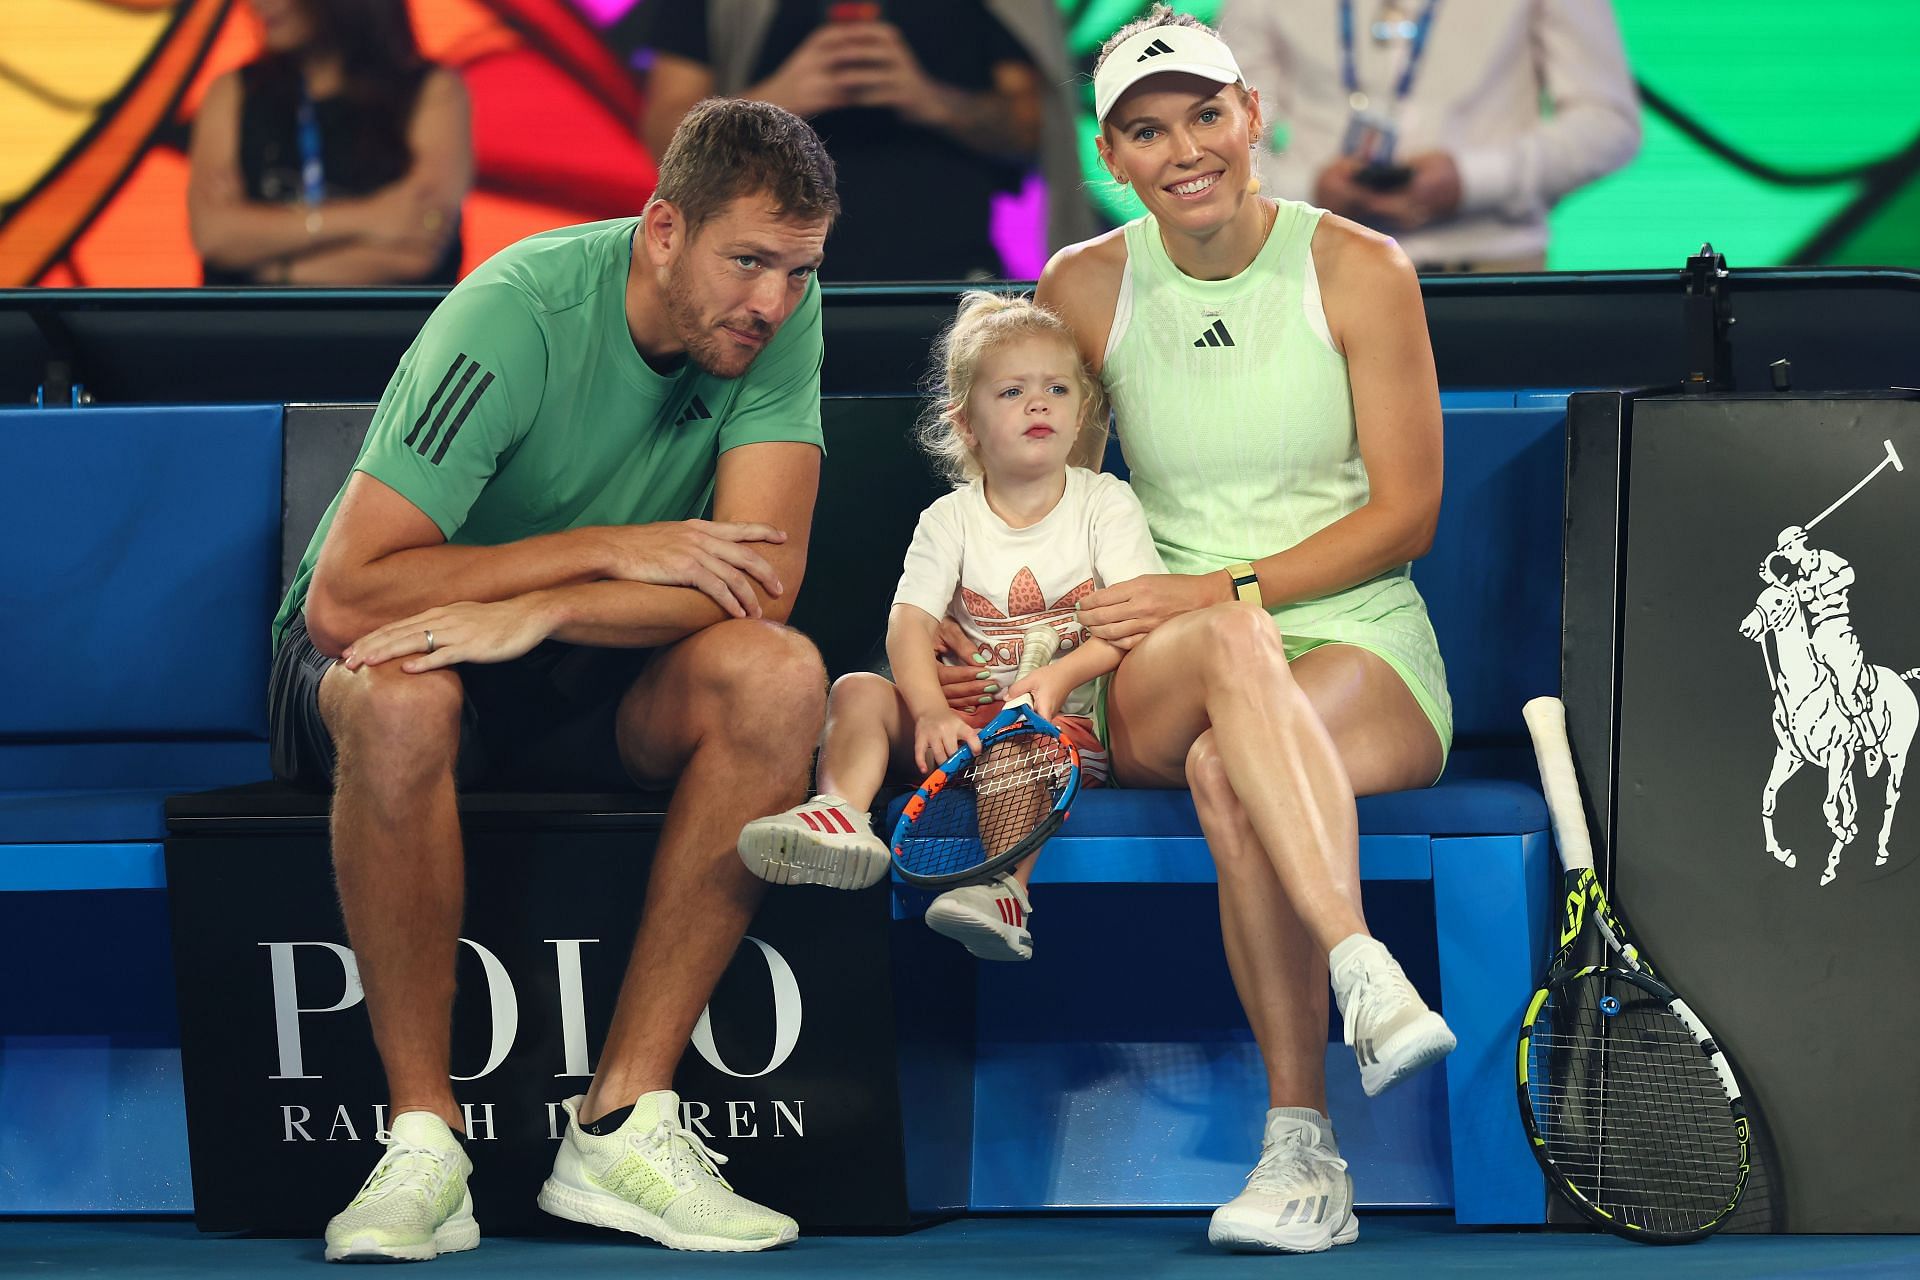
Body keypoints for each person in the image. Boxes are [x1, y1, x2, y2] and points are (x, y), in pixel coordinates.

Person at [267, 98, 837, 1261]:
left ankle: (623, 1123)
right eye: (748, 262)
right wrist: (602, 547)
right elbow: (347, 597)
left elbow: (758, 587)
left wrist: (551, 608)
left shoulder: (784, 319)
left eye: (797, 269)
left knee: (779, 674)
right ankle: (423, 1141)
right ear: (664, 229)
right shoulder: (515, 311)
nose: (771, 303)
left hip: (585, 660)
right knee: (403, 691)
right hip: (381, 655)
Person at [1022, 7, 1457, 1254]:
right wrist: (1030, 638)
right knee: (1224, 670)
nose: (1185, 149)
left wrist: (1229, 588)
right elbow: (1063, 499)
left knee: (1234, 758)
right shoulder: (1081, 285)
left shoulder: (1362, 266)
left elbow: (1407, 511)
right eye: (1147, 131)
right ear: (1114, 157)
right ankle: (1359, 961)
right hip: (1166, 653)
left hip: (1358, 635)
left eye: (1205, 114)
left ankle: (1300, 1143)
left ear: (1252, 114)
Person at [734, 293, 1165, 960]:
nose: (1039, 403)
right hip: (959, 731)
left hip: (1058, 734)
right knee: (856, 690)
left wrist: (1059, 677)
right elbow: (909, 622)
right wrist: (931, 711)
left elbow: (1134, 620)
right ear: (966, 424)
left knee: (1024, 752)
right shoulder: (949, 519)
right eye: (1012, 391)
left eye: (1057, 388)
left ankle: (1002, 891)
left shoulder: (1105, 502)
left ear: (1081, 410)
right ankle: (841, 815)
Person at [628, 1, 1054, 281]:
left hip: (949, 277)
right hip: (755, 281)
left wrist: (929, 98)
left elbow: (1032, 133)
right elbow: (665, 140)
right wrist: (775, 101)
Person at [1219, 0, 1640, 272]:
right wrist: (1309, 190)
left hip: (1492, 270)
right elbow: (1225, 132)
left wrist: (1472, 181)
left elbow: (1608, 123)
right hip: (1320, 263)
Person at [189, 0, 471, 286]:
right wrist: (373, 217)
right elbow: (214, 235)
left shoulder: (433, 92)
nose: (258, 5)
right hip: (250, 327)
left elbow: (419, 248)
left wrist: (273, 271)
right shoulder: (234, 92)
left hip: (389, 327)